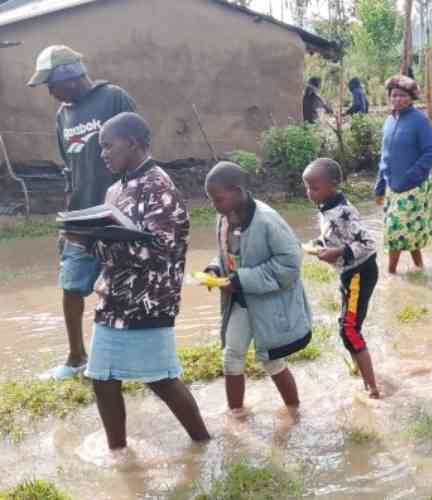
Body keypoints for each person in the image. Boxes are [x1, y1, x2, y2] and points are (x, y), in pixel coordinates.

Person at [71, 113, 208, 450]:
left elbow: (160, 252)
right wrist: (84, 240)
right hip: (113, 300)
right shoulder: (115, 189)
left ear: (132, 143)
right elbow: (112, 247)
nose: (103, 154)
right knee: (102, 378)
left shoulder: (159, 187)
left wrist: (93, 241)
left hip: (149, 301)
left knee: (161, 380)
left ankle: (203, 443)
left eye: (108, 146)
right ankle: (118, 452)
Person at [28, 45, 137, 379]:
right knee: (71, 285)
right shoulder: (62, 115)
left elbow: (138, 149)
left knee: (120, 287)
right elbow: (70, 168)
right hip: (80, 216)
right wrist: (68, 217)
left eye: (51, 84)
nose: (50, 93)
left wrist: (135, 204)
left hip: (117, 214)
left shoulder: (114, 98)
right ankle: (76, 357)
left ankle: (125, 357)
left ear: (70, 77)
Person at [204, 162, 312, 417]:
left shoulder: (267, 220)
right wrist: (215, 269)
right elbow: (227, 254)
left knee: (271, 360)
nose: (214, 205)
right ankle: (236, 415)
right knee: (232, 356)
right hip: (239, 300)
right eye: (211, 200)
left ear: (237, 191)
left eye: (218, 199)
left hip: (268, 305)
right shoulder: (223, 218)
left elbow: (289, 264)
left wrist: (241, 279)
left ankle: (294, 411)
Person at [302, 158, 381, 398]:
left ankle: (372, 388)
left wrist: (338, 252)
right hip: (350, 274)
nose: (309, 193)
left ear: (333, 184)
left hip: (360, 273)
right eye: (307, 187)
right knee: (349, 325)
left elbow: (368, 243)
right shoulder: (326, 207)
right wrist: (320, 243)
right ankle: (360, 367)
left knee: (348, 329)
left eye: (315, 188)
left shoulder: (344, 211)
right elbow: (337, 235)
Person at [374, 75, 432, 274]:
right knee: (407, 228)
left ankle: (390, 274)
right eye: (394, 95)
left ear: (411, 98)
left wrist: (412, 176)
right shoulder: (389, 121)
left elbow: (430, 153)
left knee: (395, 230)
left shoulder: (420, 121)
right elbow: (384, 155)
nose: (397, 99)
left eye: (402, 96)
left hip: (414, 186)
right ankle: (420, 267)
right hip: (392, 184)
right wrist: (380, 185)